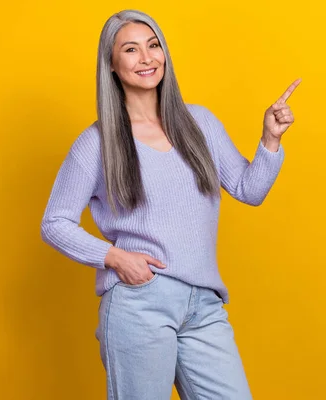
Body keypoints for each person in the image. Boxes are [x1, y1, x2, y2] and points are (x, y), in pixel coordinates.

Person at [40, 9, 300, 400]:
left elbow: (249, 190)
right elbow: (54, 222)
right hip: (139, 303)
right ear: (111, 64)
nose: (147, 58)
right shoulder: (97, 143)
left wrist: (271, 139)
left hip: (204, 305)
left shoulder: (200, 123)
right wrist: (114, 257)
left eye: (153, 45)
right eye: (131, 49)